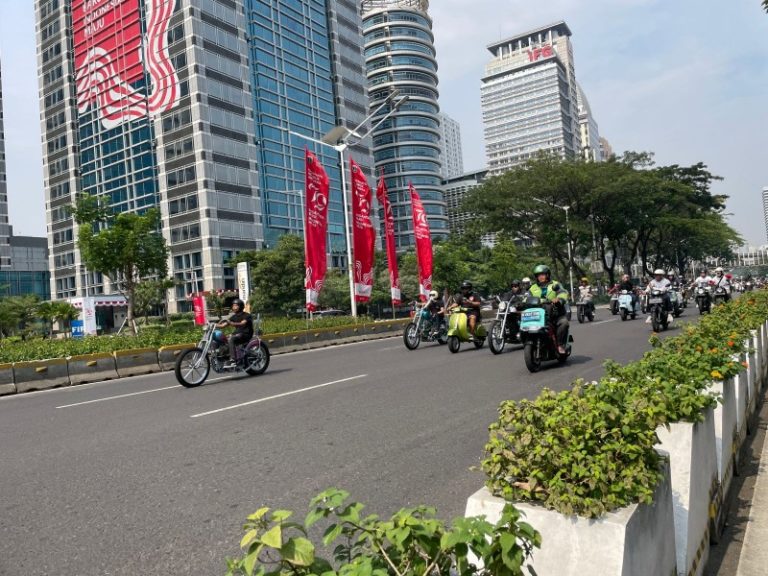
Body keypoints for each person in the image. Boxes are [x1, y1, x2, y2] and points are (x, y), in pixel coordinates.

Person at [527, 264, 569, 354]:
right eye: (538, 275)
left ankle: (560, 345)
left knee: (564, 323)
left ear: (547, 275)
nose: (540, 277)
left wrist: (559, 299)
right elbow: (527, 298)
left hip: (555, 314)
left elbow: (563, 293)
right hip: (538, 316)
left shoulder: (555, 284)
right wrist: (520, 303)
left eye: (542, 274)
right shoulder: (533, 288)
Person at [217, 298, 253, 368]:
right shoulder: (233, 317)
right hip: (237, 334)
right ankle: (224, 357)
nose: (234, 307)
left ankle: (233, 360)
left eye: (236, 305)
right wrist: (213, 325)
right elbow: (223, 325)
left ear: (240, 306)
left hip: (246, 334)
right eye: (233, 305)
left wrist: (232, 323)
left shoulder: (247, 315)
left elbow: (242, 323)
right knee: (223, 339)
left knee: (232, 339)